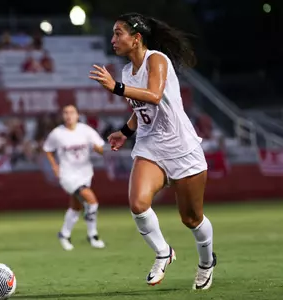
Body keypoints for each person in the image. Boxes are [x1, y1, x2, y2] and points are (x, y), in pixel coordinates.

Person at [88, 13, 216, 290]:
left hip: (181, 147)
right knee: (138, 203)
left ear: (136, 39)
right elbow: (141, 108)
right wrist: (125, 131)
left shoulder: (156, 59)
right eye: (113, 33)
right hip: (150, 145)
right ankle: (163, 252)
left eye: (118, 33)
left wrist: (116, 88)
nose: (113, 39)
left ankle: (206, 262)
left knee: (191, 218)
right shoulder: (125, 71)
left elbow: (155, 95)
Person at [43, 105, 106, 251]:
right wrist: (54, 166)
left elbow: (101, 148)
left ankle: (64, 234)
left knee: (76, 206)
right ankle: (93, 235)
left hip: (85, 173)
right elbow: (47, 150)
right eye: (65, 112)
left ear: (78, 115)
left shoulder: (86, 130)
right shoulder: (57, 133)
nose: (68, 115)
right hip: (67, 174)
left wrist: (98, 149)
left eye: (71, 112)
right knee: (92, 201)